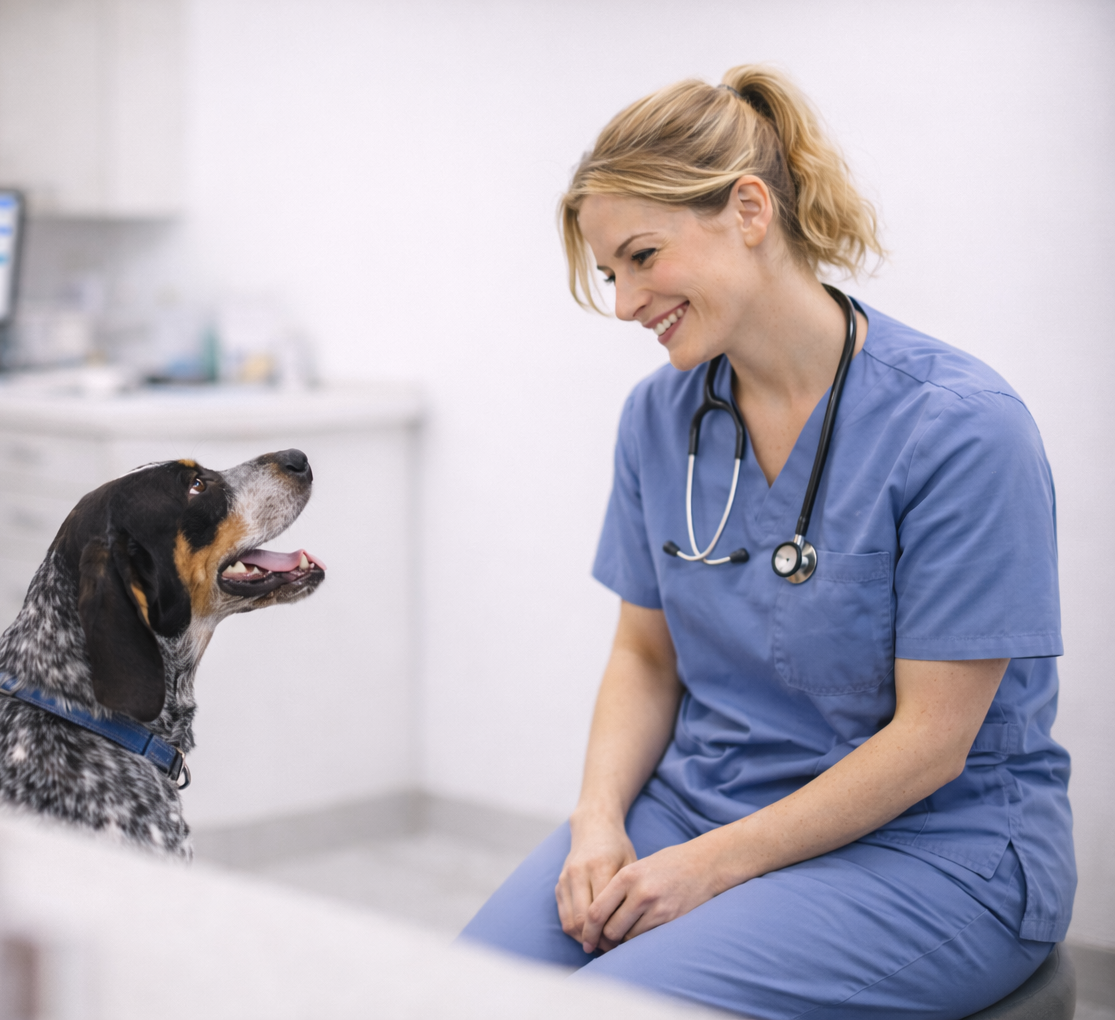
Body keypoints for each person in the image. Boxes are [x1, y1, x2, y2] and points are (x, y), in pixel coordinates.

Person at [458, 66, 1073, 1020]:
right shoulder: (661, 418)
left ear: (749, 208)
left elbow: (931, 744)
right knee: (456, 992)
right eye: (610, 273)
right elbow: (644, 654)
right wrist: (597, 821)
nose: (624, 304)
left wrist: (706, 869)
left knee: (604, 1006)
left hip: (932, 845)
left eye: (642, 256)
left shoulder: (960, 427)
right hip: (702, 800)